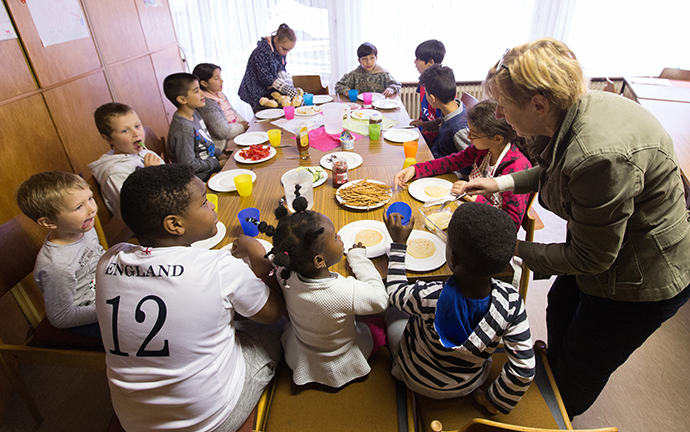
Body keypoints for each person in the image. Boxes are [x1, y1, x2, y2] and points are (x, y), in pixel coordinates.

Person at [460, 38, 690, 417]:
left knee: (583, 364)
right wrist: (500, 183)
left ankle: (554, 409)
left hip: (639, 279)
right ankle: (550, 370)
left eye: (505, 103)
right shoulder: (575, 110)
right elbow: (554, 170)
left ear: (538, 103)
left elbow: (591, 256)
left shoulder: (599, 156)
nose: (499, 113)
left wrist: (509, 245)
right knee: (560, 305)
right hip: (605, 252)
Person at [95, 164, 285, 431]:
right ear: (174, 224)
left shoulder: (108, 259)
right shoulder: (218, 267)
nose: (213, 208)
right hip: (209, 421)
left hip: (133, 422)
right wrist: (257, 256)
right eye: (205, 203)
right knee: (279, 323)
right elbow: (273, 312)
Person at [383, 203, 535, 413]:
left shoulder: (428, 295)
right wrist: (493, 401)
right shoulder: (512, 303)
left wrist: (398, 244)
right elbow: (524, 369)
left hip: (414, 378)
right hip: (468, 384)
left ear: (452, 258)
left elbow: (394, 291)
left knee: (393, 312)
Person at [258, 194, 389, 388]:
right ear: (319, 261)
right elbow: (381, 300)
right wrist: (358, 258)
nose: (340, 237)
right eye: (335, 237)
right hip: (342, 356)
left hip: (304, 351)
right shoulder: (344, 291)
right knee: (380, 327)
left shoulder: (284, 273)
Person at [393, 100, 532, 228]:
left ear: (497, 139)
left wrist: (477, 198)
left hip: (491, 229)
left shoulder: (516, 168)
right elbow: (450, 162)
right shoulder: (482, 149)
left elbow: (511, 225)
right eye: (468, 131)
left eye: (474, 134)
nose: (468, 137)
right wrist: (415, 169)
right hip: (471, 212)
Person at [15, 171, 104, 338]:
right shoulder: (57, 266)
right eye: (79, 206)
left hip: (105, 290)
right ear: (49, 222)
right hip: (88, 318)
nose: (92, 209)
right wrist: (110, 308)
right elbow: (61, 318)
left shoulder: (84, 228)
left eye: (90, 198)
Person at [87, 102, 163, 219]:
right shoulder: (114, 173)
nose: (136, 133)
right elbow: (138, 211)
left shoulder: (145, 153)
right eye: (125, 131)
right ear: (108, 139)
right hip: (152, 222)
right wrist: (151, 175)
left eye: (137, 126)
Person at [164, 72, 228, 182]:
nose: (202, 94)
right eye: (196, 91)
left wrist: (220, 155)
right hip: (201, 179)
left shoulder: (194, 114)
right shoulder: (183, 129)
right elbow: (189, 165)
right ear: (182, 99)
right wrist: (217, 163)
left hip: (212, 167)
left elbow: (207, 142)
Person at [239, 23, 298, 111]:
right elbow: (264, 77)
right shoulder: (261, 51)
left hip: (267, 88)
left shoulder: (279, 50)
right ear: (276, 39)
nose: (286, 53)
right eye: (285, 49)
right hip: (254, 90)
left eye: (289, 50)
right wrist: (283, 87)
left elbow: (280, 69)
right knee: (263, 118)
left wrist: (288, 83)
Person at [192, 63, 249, 153]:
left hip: (236, 133)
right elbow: (223, 132)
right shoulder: (207, 103)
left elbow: (232, 112)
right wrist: (242, 127)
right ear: (204, 83)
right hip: (224, 143)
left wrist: (246, 124)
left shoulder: (219, 95)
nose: (222, 81)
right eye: (216, 78)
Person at [417, 64, 468, 159]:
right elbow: (442, 122)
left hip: (446, 169)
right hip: (435, 156)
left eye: (426, 93)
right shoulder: (452, 107)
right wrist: (427, 125)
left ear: (432, 98)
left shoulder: (459, 130)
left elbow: (470, 160)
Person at [410, 39, 445, 146]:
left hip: (433, 140)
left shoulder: (442, 87)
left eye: (418, 59)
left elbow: (442, 124)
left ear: (430, 63)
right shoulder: (423, 82)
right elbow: (424, 113)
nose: (414, 62)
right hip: (423, 130)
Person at [334, 42, 402, 98]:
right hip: (360, 107)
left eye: (371, 58)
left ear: (376, 58)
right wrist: (346, 91)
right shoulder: (354, 74)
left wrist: (390, 89)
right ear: (359, 61)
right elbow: (338, 85)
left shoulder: (383, 73)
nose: (368, 62)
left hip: (379, 107)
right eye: (364, 59)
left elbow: (396, 84)